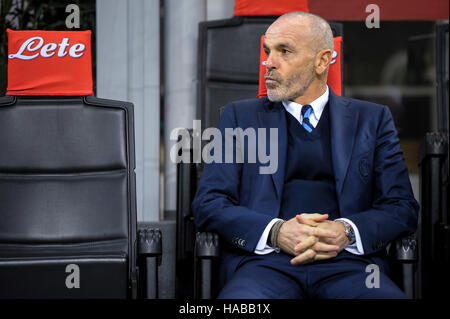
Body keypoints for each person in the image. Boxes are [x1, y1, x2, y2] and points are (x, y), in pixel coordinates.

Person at [192, 11, 419, 299]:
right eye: (267, 51)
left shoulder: (371, 120)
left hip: (353, 266)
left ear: (323, 60)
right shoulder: (240, 117)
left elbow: (402, 206)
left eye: (283, 51)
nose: (268, 63)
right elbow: (209, 203)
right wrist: (276, 232)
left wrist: (345, 231)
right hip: (263, 265)